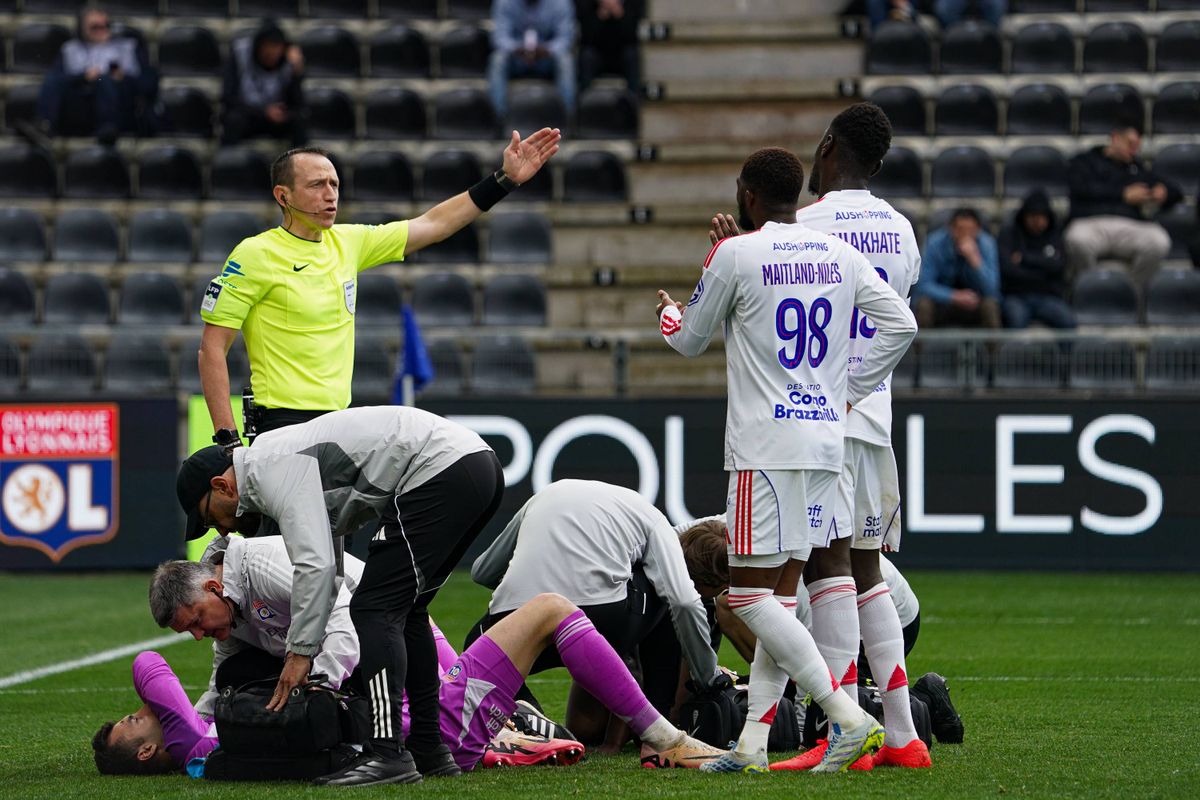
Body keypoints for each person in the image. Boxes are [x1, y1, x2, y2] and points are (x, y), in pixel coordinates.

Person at [655, 146, 918, 774]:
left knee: (747, 599)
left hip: (763, 450)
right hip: (828, 446)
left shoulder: (736, 253)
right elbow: (901, 325)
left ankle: (848, 717)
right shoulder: (841, 254)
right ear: (796, 194)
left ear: (747, 195)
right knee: (780, 591)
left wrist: (668, 314)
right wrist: (851, 388)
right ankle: (750, 745)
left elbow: (689, 340)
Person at [174, 406, 504, 785]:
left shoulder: (270, 467)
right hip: (473, 464)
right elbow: (329, 563)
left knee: (373, 610)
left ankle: (388, 753)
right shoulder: (278, 457)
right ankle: (429, 748)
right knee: (409, 611)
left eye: (209, 517)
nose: (218, 528)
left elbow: (314, 565)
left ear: (222, 486)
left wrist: (300, 654)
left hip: (440, 469)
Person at [197, 128, 560, 447]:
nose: (330, 194)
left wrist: (503, 180)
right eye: (316, 185)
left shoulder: (348, 242)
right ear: (283, 195)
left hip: (339, 423)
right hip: (280, 424)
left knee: (337, 527)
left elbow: (434, 224)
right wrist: (227, 440)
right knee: (287, 528)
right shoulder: (255, 253)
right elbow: (212, 348)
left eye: (335, 184)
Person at [94, 595, 721, 777]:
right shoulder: (191, 744)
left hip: (415, 718)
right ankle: (664, 735)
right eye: (132, 723)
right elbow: (149, 666)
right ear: (150, 749)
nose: (138, 711)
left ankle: (512, 729)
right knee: (551, 610)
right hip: (435, 725)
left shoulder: (211, 744)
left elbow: (162, 685)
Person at [140, 536, 585, 771]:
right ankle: (507, 729)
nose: (201, 634)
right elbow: (223, 678)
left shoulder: (261, 563)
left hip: (397, 627)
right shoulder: (229, 613)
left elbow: (342, 618)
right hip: (358, 656)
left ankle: (522, 717)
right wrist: (203, 723)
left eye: (197, 620)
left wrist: (319, 688)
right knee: (241, 671)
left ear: (214, 587)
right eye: (191, 632)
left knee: (457, 706)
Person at [468, 479, 724, 742]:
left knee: (475, 641)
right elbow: (684, 601)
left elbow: (482, 571)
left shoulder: (545, 495)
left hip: (517, 617)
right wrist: (708, 677)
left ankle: (530, 720)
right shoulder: (654, 518)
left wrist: (528, 589)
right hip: (597, 623)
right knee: (662, 588)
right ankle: (657, 723)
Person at [1065, 118, 1181, 288]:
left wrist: (1164, 193)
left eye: (1137, 146)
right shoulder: (1085, 161)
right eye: (1130, 143)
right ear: (1115, 138)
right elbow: (1080, 189)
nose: (1134, 150)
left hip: (1129, 225)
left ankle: (1130, 292)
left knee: (1159, 241)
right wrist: (1122, 194)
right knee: (1077, 239)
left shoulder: (1136, 168)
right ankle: (1090, 289)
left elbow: (1175, 191)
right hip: (1091, 223)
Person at [36, 3, 158, 143]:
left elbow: (150, 82)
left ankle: (108, 129)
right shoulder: (70, 50)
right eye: (95, 27)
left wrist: (124, 78)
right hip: (81, 106)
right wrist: (83, 77)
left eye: (106, 26)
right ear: (82, 29)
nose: (102, 30)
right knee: (52, 80)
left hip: (120, 107)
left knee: (105, 79)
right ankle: (44, 126)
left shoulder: (128, 47)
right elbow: (59, 79)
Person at [220, 20, 306, 147]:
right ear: (258, 46)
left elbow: (297, 104)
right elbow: (228, 98)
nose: (272, 53)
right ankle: (229, 163)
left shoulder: (288, 61)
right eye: (268, 46)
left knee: (299, 121)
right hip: (247, 115)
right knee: (233, 119)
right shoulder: (239, 54)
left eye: (276, 47)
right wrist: (263, 112)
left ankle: (301, 164)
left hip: (276, 119)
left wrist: (297, 72)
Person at [913, 208, 1002, 329]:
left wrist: (976, 261)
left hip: (975, 302)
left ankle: (995, 348)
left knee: (991, 305)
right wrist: (954, 296)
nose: (965, 235)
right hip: (943, 302)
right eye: (960, 229)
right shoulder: (935, 243)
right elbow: (924, 285)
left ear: (978, 230)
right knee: (924, 305)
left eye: (970, 230)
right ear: (951, 229)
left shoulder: (987, 244)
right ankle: (917, 347)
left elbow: (992, 289)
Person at [998, 190, 1075, 330]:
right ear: (1024, 216)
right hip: (1016, 296)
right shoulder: (1009, 234)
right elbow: (1007, 269)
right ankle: (1012, 353)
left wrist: (1024, 259)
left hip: (1048, 296)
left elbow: (1058, 266)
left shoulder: (1055, 234)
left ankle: (1067, 353)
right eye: (1032, 216)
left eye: (1041, 216)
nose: (1037, 221)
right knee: (1015, 319)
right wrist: (1043, 268)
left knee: (1068, 321)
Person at [489, 0, 577, 118]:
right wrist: (517, 49)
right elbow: (499, 38)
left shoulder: (561, 3)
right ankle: (499, 118)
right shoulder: (505, 2)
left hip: (546, 59)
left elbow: (565, 39)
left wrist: (547, 50)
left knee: (565, 60)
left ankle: (567, 117)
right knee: (498, 59)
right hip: (517, 59)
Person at [576, 0, 642, 93]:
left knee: (632, 55)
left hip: (621, 55)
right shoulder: (587, 4)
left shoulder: (631, 3)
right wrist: (600, 16)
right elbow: (587, 38)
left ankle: (634, 103)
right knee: (586, 56)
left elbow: (632, 37)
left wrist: (619, 13)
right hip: (597, 55)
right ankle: (584, 103)